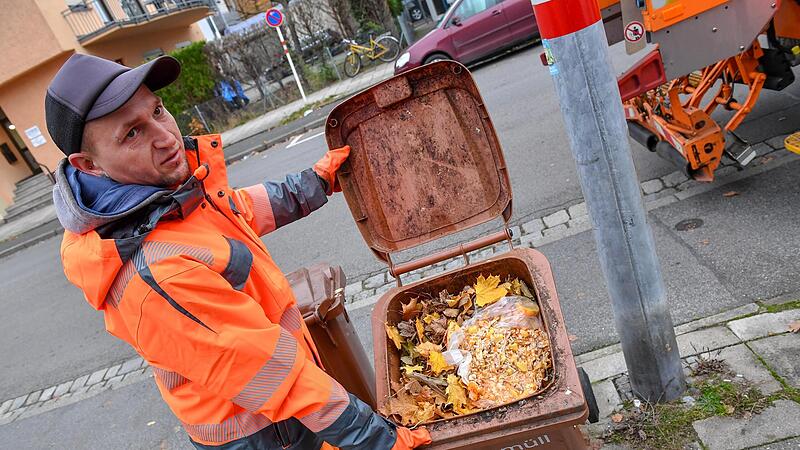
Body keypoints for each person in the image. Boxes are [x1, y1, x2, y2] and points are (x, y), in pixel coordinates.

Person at [45, 54, 431, 450]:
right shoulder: (155, 273)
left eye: (158, 111)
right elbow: (274, 373)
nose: (165, 137)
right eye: (132, 134)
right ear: (88, 164)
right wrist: (383, 441)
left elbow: (235, 208)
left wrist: (316, 182)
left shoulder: (162, 199)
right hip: (265, 434)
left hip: (288, 410)